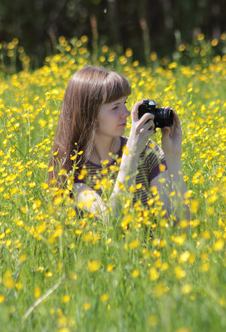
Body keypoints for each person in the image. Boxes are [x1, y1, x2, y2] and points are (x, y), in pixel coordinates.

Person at [48, 65, 190, 222]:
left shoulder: (147, 152)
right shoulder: (73, 170)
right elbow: (112, 223)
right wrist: (131, 154)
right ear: (89, 114)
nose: (126, 113)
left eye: (125, 103)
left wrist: (173, 156)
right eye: (115, 107)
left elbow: (179, 226)